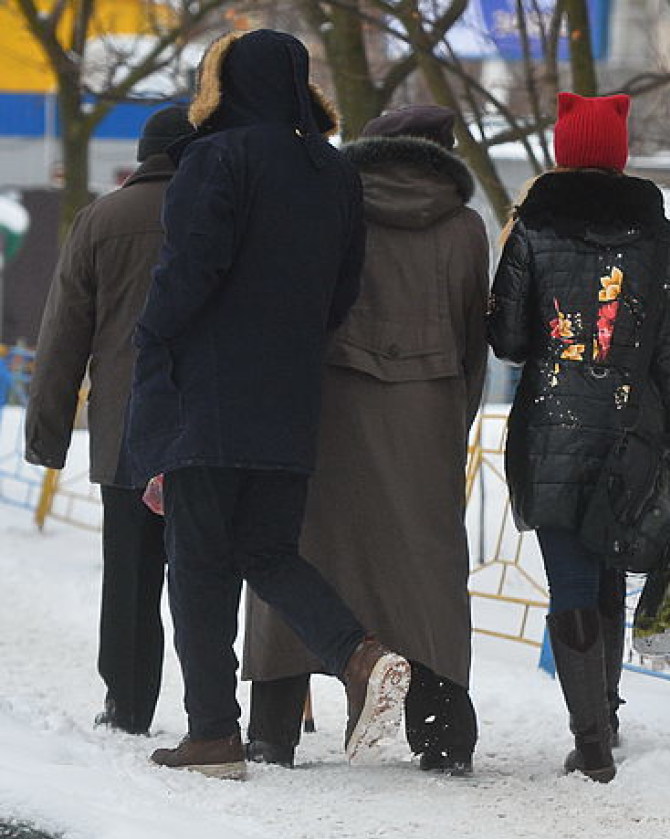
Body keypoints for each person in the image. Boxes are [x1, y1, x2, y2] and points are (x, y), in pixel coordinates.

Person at [122, 30, 410, 780]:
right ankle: (357, 652)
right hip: (289, 392)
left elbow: (188, 272)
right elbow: (340, 292)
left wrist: (150, 337)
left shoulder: (215, 158)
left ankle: (214, 734)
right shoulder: (336, 174)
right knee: (267, 550)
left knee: (197, 564)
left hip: (207, 391)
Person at [241, 105, 490, 774]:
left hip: (324, 407)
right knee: (426, 568)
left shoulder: (326, 211)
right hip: (427, 414)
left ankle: (272, 727)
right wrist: (444, 420)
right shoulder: (467, 230)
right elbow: (474, 349)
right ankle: (442, 732)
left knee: (298, 544)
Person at [487, 92, 670, 783]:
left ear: (560, 151)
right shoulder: (661, 242)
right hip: (635, 432)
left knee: (572, 585)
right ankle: (604, 718)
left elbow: (508, 340)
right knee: (610, 564)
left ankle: (591, 742)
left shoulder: (532, 231)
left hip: (552, 425)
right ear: (619, 157)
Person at [25, 106, 194, 735]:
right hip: (209, 423)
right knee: (212, 568)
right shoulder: (223, 213)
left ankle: (127, 703)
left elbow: (63, 333)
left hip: (126, 426)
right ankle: (223, 711)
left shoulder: (101, 219)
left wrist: (47, 435)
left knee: (130, 571)